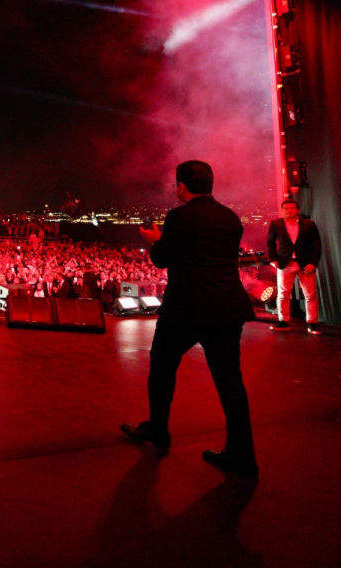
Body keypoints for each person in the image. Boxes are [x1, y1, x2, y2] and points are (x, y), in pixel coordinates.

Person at [121, 161, 259, 480]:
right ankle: (243, 455)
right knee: (230, 384)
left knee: (162, 368)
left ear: (182, 186)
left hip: (187, 308)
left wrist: (155, 238)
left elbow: (161, 258)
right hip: (226, 307)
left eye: (175, 185)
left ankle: (158, 430)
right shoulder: (230, 217)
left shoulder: (179, 216)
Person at [267, 198, 323, 334]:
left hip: (305, 264)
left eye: (292, 208)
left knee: (310, 295)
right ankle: (283, 321)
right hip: (285, 263)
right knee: (283, 294)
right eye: (286, 208)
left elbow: (316, 245)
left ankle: (312, 323)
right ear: (282, 210)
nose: (289, 211)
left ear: (297, 210)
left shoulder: (309, 224)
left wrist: (313, 263)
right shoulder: (276, 224)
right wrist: (273, 259)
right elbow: (270, 242)